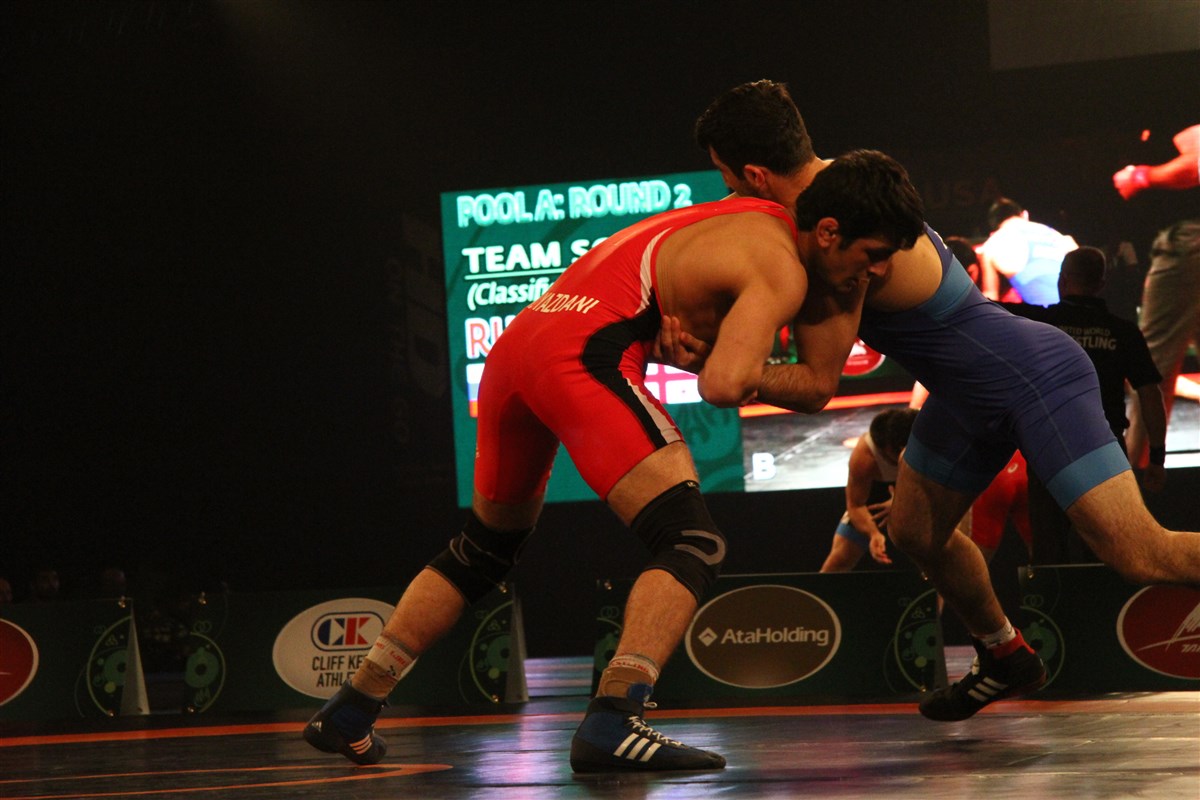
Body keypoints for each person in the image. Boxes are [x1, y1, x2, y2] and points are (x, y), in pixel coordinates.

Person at [303, 149, 926, 771]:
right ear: (827, 230)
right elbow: (734, 384)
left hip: (518, 345)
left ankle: (353, 705)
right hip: (579, 357)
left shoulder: (735, 212)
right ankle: (614, 718)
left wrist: (707, 348)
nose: (875, 274)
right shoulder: (782, 264)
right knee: (690, 541)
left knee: (484, 549)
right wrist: (711, 361)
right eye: (872, 256)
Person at [692, 79, 1200, 723]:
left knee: (1139, 553)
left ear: (755, 174)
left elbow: (817, 386)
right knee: (915, 532)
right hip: (965, 397)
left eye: (726, 176)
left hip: (1036, 378)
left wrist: (719, 365)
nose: (727, 192)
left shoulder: (837, 233)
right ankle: (1005, 655)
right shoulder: (844, 193)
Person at [1007, 246, 1168, 562]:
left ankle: (1053, 596)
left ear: (1062, 280)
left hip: (1050, 450)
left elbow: (981, 311)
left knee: (1049, 555)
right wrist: (1158, 458)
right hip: (1104, 451)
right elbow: (1150, 394)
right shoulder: (1123, 332)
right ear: (1101, 284)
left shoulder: (1038, 324)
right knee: (1107, 552)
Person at [1114, 125, 1200, 471]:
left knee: (1151, 368)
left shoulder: (1174, 115)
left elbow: (1196, 162)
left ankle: (1135, 484)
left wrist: (1141, 176)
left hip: (1190, 244)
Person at [819, 408, 916, 572]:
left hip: (917, 494)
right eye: (890, 457)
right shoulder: (864, 457)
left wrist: (901, 503)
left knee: (939, 552)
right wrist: (873, 534)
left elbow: (939, 491)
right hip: (877, 499)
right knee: (839, 561)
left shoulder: (931, 444)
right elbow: (855, 505)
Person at [976, 197, 1078, 305]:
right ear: (1025, 215)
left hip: (1045, 312)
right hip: (1081, 308)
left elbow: (990, 295)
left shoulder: (991, 246)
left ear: (993, 228)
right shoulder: (1061, 237)